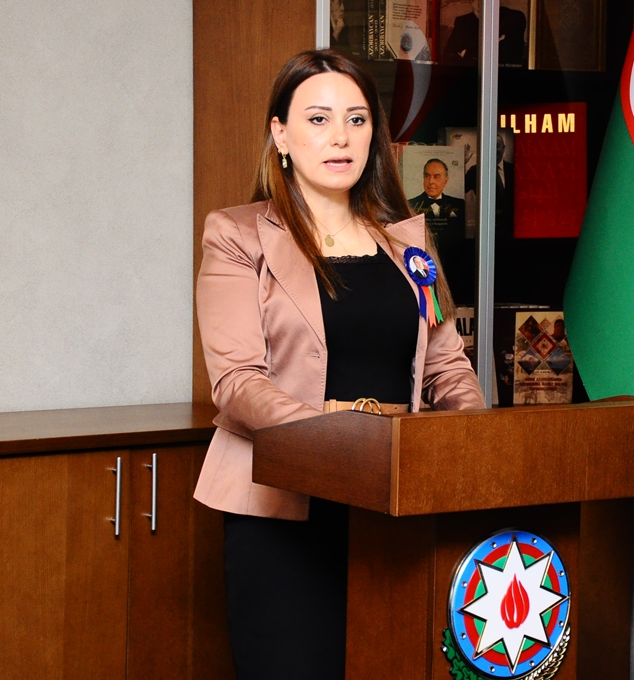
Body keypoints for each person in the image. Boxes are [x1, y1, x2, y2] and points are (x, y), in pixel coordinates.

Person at [193, 49, 486, 679]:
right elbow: (237, 382)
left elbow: (447, 366)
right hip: (283, 509)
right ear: (281, 134)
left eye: (356, 119)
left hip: (399, 504)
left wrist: (470, 448)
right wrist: (342, 442)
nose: (341, 137)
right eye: (319, 119)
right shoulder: (237, 235)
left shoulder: (409, 241)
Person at [442, 0, 527, 67]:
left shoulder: (513, 18)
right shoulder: (463, 22)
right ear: (471, 2)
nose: (481, 3)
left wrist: (468, 53)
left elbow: (508, 56)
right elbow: (448, 58)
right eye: (475, 0)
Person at [407, 158, 465, 242]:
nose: (431, 181)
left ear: (445, 181)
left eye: (436, 177)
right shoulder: (410, 205)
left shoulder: (459, 204)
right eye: (427, 176)